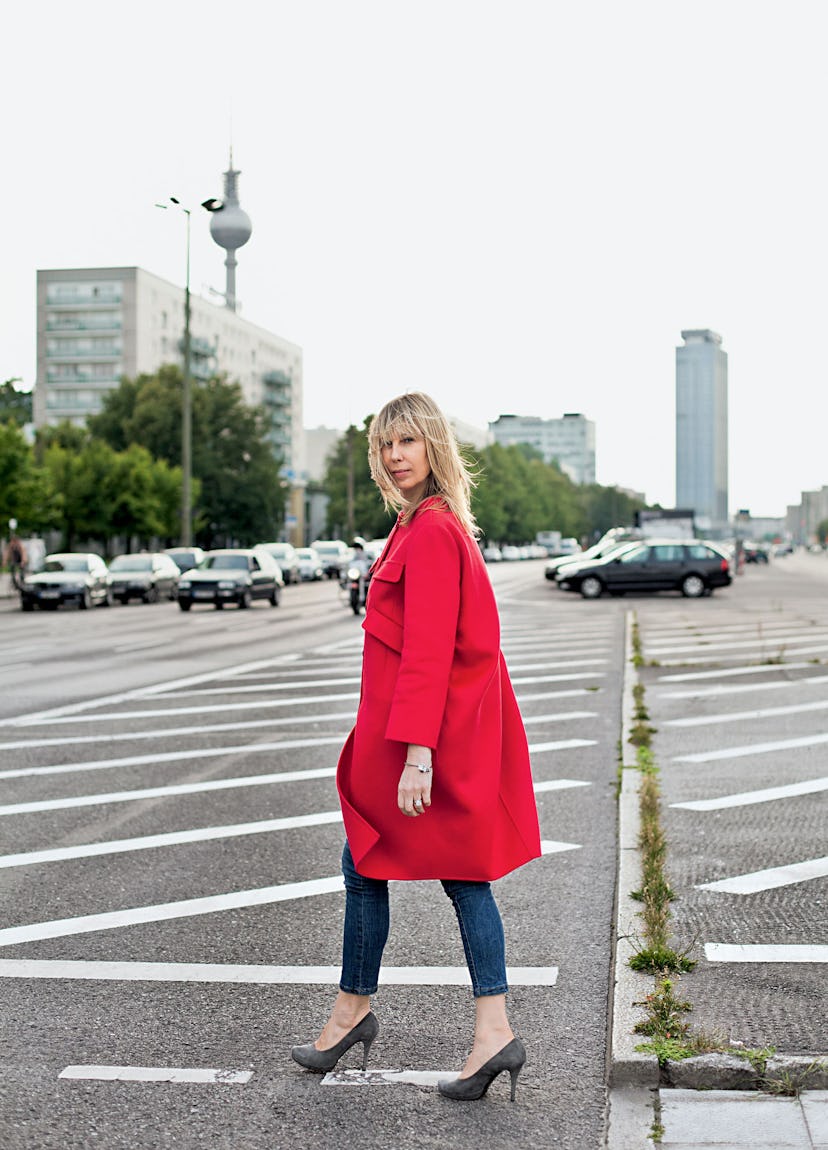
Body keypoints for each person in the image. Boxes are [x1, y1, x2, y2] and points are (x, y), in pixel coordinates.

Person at [291, 392, 541, 1102]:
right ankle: (380, 1015)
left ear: (433, 445)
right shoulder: (420, 525)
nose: (395, 455)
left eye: (407, 441)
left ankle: (367, 1014)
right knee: (390, 866)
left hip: (422, 745)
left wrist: (417, 754)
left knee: (424, 871)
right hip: (412, 738)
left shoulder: (431, 531)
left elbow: (431, 650)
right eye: (384, 444)